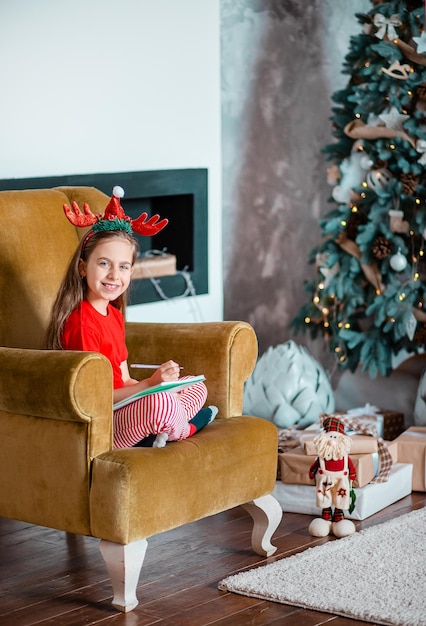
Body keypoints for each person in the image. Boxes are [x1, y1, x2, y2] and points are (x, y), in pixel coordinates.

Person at [45, 186, 217, 448]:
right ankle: (185, 427)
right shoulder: (81, 323)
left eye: (123, 267)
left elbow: (124, 379)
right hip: (109, 417)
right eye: (104, 264)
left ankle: (161, 429)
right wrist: (150, 386)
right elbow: (96, 398)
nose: (114, 275)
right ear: (83, 267)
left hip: (128, 403)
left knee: (193, 387)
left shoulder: (113, 315)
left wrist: (159, 384)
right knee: (160, 404)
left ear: (131, 271)